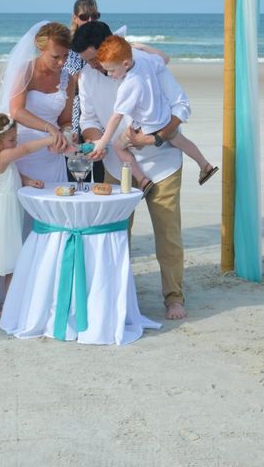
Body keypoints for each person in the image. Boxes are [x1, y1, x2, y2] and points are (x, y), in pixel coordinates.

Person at [71, 21, 191, 320]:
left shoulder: (147, 64)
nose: (95, 66)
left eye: (96, 59)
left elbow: (181, 107)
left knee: (168, 235)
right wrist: (93, 140)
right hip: (116, 164)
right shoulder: (88, 77)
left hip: (163, 164)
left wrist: (155, 138)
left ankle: (174, 296)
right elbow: (88, 120)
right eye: (88, 61)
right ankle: (116, 292)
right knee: (115, 234)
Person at [94, 35, 218, 192]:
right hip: (165, 120)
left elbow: (117, 116)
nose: (109, 75)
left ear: (125, 64)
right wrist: (144, 47)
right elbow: (165, 58)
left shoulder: (129, 85)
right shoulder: (146, 62)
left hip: (146, 128)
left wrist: (103, 141)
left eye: (111, 70)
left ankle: (142, 180)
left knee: (119, 147)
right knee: (181, 141)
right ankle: (205, 165)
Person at [0, 112, 56, 317]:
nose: (15, 142)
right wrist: (50, 139)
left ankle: (8, 303)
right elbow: (25, 150)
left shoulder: (4, 159)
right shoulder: (1, 156)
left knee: (7, 260)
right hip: (0, 215)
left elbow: (13, 175)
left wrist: (27, 181)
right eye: (11, 139)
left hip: (7, 212)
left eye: (15, 139)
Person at [0, 21, 75, 183]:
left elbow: (66, 120)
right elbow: (17, 111)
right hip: (24, 151)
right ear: (41, 49)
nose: (62, 62)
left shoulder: (67, 79)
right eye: (55, 57)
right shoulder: (26, 72)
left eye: (66, 56)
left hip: (52, 154)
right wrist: (50, 128)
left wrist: (66, 135)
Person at [65, 0, 104, 182]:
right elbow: (71, 80)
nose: (89, 21)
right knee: (79, 169)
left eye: (94, 16)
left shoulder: (103, 39)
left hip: (99, 107)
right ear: (74, 18)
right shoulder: (71, 45)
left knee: (102, 166)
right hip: (76, 108)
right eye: (84, 16)